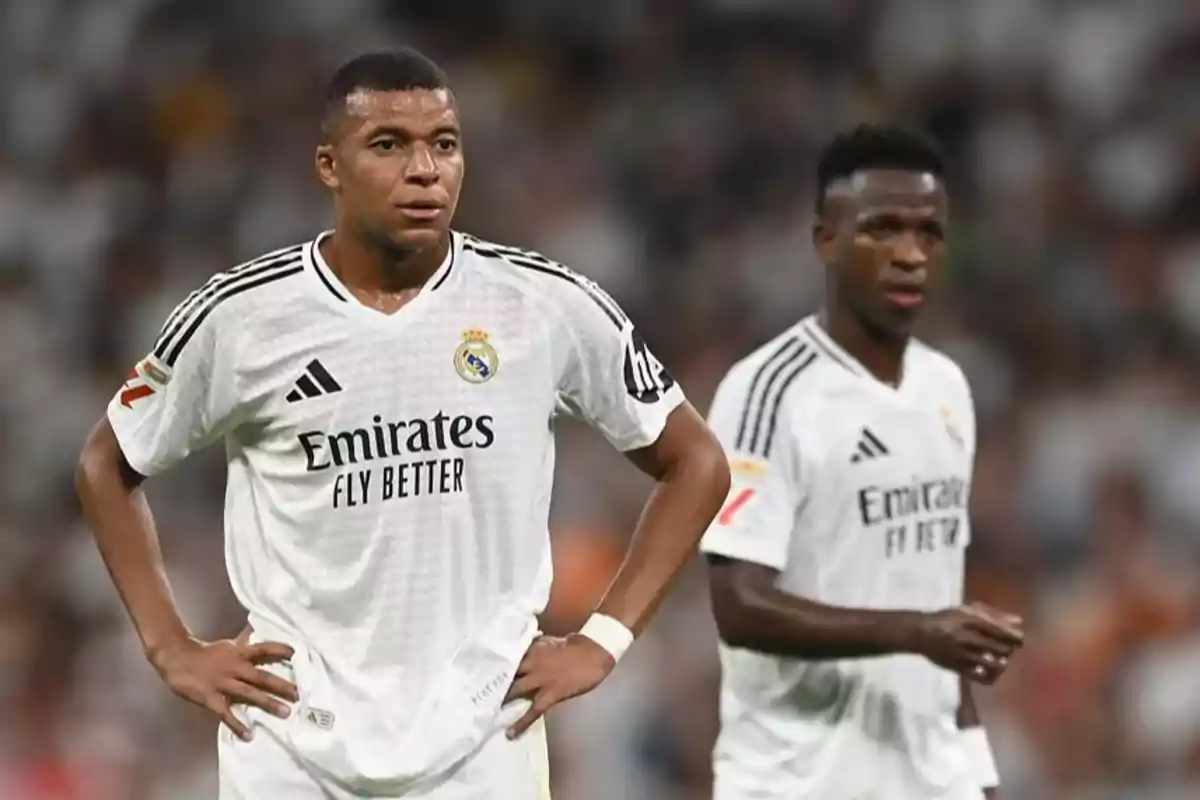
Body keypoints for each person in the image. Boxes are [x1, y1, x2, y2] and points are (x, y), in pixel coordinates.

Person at [74, 48, 730, 799]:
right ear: (329, 164)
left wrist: (602, 641)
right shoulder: (241, 318)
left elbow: (697, 461)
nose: (425, 169)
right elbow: (106, 464)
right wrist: (170, 648)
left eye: (443, 144)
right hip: (291, 741)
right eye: (388, 144)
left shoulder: (544, 305)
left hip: (485, 738)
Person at [700, 124, 1025, 800]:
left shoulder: (947, 390)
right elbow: (738, 604)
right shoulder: (768, 391)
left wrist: (979, 779)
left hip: (930, 780)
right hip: (800, 782)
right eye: (883, 229)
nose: (911, 255)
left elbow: (939, 604)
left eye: (929, 233)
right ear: (826, 238)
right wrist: (918, 634)